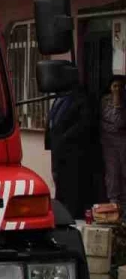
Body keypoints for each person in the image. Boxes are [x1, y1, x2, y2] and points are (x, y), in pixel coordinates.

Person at [45, 85, 98, 218]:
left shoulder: (81, 100)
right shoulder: (58, 100)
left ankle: (72, 215)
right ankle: (61, 213)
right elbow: (52, 121)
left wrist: (64, 138)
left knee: (72, 185)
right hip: (58, 150)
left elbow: (84, 124)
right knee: (59, 182)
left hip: (73, 151)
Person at [100, 76, 126, 209]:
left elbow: (120, 122)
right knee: (113, 173)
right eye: (115, 86)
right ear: (110, 87)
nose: (118, 89)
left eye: (121, 86)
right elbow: (113, 121)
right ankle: (114, 205)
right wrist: (116, 104)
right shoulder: (105, 101)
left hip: (123, 141)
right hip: (109, 142)